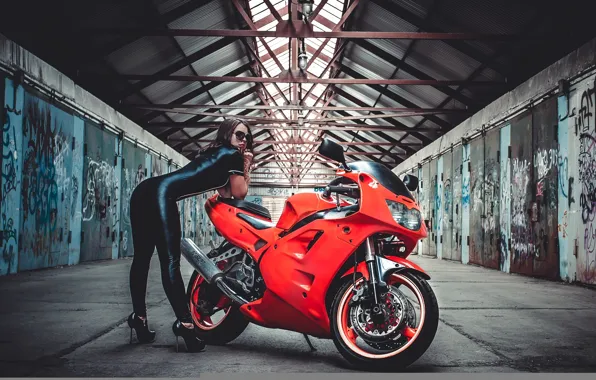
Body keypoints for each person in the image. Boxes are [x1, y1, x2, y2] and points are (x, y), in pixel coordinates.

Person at [126, 118, 253, 352]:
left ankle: (139, 319)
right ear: (227, 134)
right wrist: (246, 165)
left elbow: (225, 192)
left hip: (144, 190)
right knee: (171, 262)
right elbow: (239, 193)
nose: (244, 141)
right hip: (161, 194)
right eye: (239, 135)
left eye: (247, 137)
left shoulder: (214, 153)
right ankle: (185, 324)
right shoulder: (233, 155)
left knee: (142, 260)